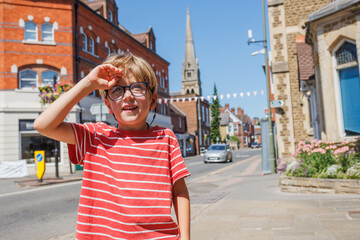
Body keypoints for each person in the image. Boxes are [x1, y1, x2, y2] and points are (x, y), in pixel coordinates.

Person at [34, 53, 191, 240]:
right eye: (117, 90)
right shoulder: (96, 136)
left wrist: (185, 237)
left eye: (138, 88)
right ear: (108, 105)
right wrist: (88, 83)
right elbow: (43, 125)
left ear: (153, 100)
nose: (128, 96)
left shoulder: (165, 138)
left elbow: (180, 191)